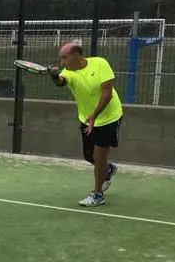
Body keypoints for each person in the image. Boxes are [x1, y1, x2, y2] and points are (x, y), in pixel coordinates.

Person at [47, 42, 122, 207]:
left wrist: (95, 115)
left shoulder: (100, 63)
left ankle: (98, 195)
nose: (62, 63)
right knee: (89, 156)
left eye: (64, 58)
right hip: (86, 119)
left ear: (76, 55)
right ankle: (107, 170)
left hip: (109, 117)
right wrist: (54, 76)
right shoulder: (69, 72)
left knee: (99, 155)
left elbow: (108, 94)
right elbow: (61, 81)